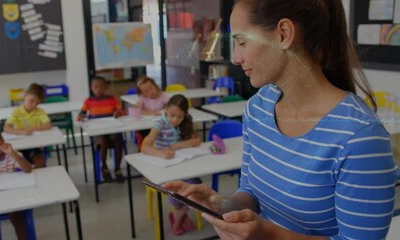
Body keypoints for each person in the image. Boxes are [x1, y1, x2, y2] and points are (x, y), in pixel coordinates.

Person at [164, 1, 396, 239]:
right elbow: (251, 193)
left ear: (283, 34)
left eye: (242, 42)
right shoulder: (258, 108)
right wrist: (219, 203)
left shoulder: (360, 137)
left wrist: (270, 235)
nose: (235, 57)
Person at [142, 94, 201, 236]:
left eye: (179, 117)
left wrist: (179, 145)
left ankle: (178, 215)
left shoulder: (185, 122)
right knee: (187, 190)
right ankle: (180, 217)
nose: (175, 120)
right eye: (172, 115)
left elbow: (196, 141)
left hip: (182, 167)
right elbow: (145, 147)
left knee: (196, 189)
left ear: (185, 115)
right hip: (165, 170)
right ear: (166, 109)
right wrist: (161, 153)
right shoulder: (160, 123)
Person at [77, 76, 124, 182]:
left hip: (111, 128)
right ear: (91, 88)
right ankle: (104, 167)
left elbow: (120, 110)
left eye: (101, 87)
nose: (98, 89)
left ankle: (117, 168)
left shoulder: (112, 99)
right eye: (95, 87)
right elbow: (82, 113)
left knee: (118, 139)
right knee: (103, 141)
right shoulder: (88, 101)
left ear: (106, 87)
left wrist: (118, 112)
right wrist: (81, 116)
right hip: (97, 131)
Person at [4, 83, 52, 168]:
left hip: (35, 145)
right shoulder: (16, 112)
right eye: (32, 100)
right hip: (20, 146)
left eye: (37, 103)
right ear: (25, 95)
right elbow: (6, 128)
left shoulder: (40, 112)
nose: (34, 105)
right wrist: (21, 131)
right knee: (19, 164)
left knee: (39, 161)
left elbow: (48, 125)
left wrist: (31, 129)